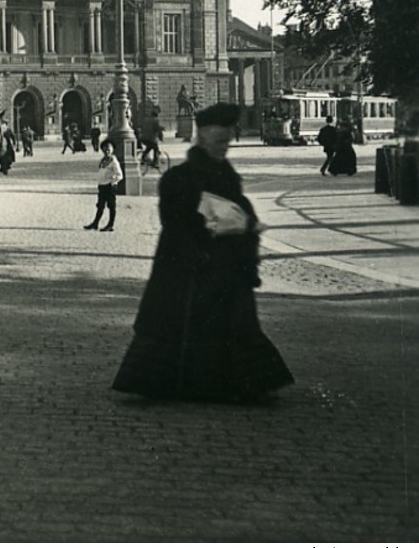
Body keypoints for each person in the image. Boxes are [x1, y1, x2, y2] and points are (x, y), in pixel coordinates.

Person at [112, 101, 293, 404]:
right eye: (221, 141)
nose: (226, 147)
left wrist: (245, 228)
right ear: (204, 137)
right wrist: (199, 246)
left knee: (233, 325)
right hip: (190, 268)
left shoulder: (226, 175)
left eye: (229, 142)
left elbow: (235, 209)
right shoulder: (179, 178)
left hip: (224, 269)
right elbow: (175, 224)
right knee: (177, 326)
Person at [85, 139, 122, 231]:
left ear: (112, 150)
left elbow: (120, 175)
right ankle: (95, 223)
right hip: (102, 186)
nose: (107, 151)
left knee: (111, 206)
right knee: (100, 205)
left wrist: (113, 182)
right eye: (105, 149)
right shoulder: (102, 161)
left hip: (110, 186)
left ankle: (110, 224)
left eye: (109, 149)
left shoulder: (114, 161)